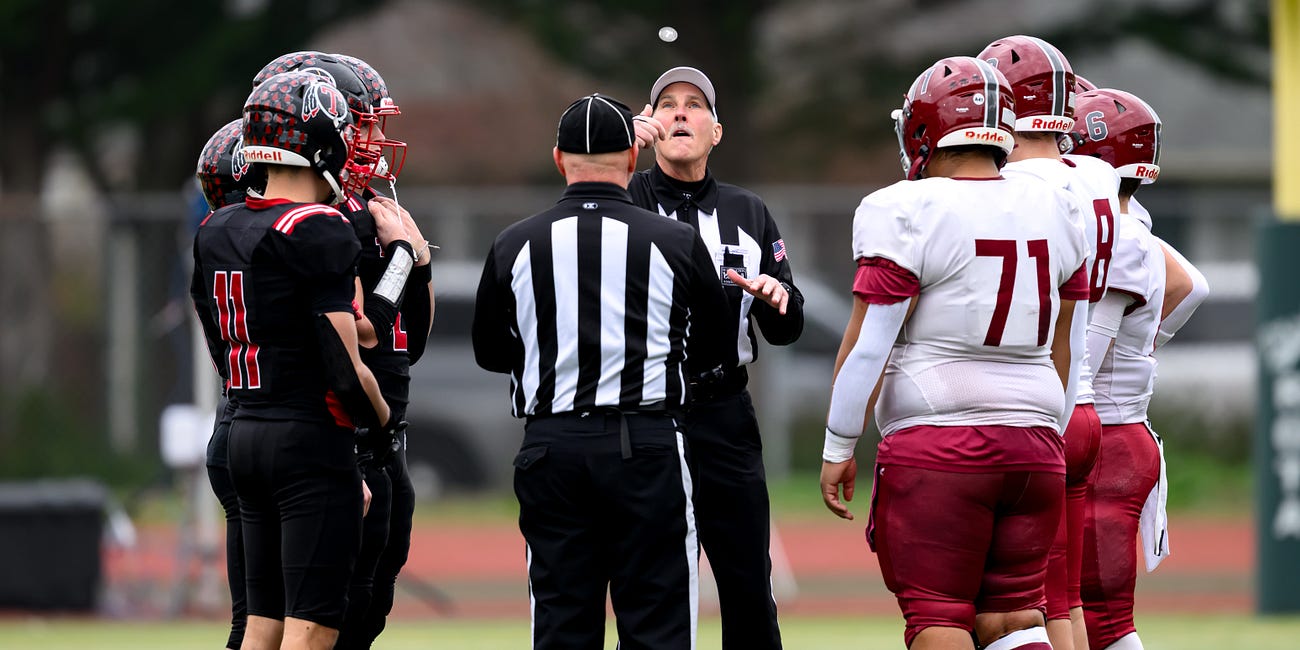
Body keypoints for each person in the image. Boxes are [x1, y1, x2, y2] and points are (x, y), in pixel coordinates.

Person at [819, 56, 1091, 650]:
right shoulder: (1059, 205)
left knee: (938, 616)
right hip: (1037, 440)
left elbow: (871, 346)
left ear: (924, 129)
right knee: (1016, 619)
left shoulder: (907, 207)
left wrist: (839, 443)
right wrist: (1052, 430)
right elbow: (1071, 342)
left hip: (941, 443)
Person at [472, 93, 730, 650]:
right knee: (658, 624)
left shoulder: (514, 243)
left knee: (563, 624)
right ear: (632, 160)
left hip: (552, 447)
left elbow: (491, 352)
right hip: (647, 444)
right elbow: (714, 347)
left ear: (559, 158)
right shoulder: (677, 240)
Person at [190, 70, 403, 650]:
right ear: (321, 137)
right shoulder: (318, 226)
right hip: (308, 438)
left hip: (245, 431)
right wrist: (381, 429)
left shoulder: (217, 226)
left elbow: (218, 342)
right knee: (310, 630)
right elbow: (345, 364)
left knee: (260, 624)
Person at [250, 51, 431, 650]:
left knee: (362, 608)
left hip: (377, 429)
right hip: (329, 434)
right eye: (365, 122)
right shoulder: (308, 217)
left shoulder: (364, 210)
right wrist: (403, 256)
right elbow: (362, 333)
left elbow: (411, 338)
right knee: (312, 616)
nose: (377, 138)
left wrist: (416, 264)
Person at [629, 65, 802, 650]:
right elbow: (576, 224)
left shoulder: (747, 211)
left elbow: (789, 326)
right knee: (656, 585)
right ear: (649, 124)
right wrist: (620, 154)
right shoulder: (624, 198)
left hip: (724, 410)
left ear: (716, 131)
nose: (681, 113)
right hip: (650, 411)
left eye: (695, 105)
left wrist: (777, 300)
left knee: (748, 585)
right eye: (667, 104)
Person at [977, 34, 1122, 650]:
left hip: (1030, 398)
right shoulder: (1095, 174)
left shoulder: (1010, 184)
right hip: (1082, 400)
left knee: (1020, 609)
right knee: (1066, 599)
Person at [1069, 87, 1208, 650]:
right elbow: (1192, 285)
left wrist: (1134, 352)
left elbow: (1083, 365)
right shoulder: (1129, 224)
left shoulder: (1118, 237)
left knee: (1098, 620)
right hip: (1118, 431)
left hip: (1101, 436)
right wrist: (1145, 346)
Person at [194, 117, 264, 650]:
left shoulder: (214, 241)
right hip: (279, 424)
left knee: (253, 618)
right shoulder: (290, 237)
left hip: (237, 419)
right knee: (284, 618)